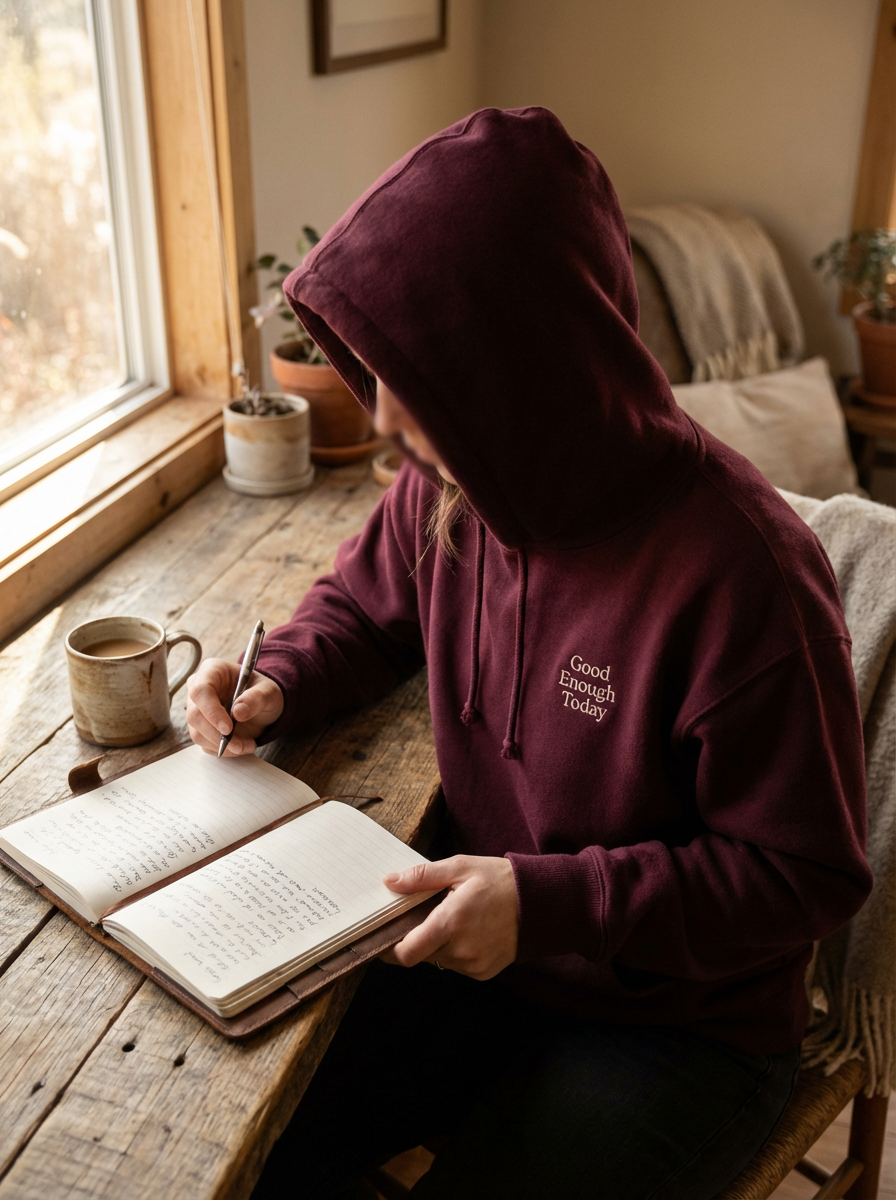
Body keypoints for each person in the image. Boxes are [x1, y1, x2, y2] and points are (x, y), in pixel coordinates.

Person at [186, 108, 871, 1199]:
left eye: (425, 432)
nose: (398, 462)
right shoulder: (447, 486)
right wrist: (280, 680)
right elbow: (360, 610)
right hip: (480, 957)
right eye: (393, 423)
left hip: (677, 1026)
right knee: (240, 1138)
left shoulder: (747, 582)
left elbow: (801, 878)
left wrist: (547, 906)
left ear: (525, 390)